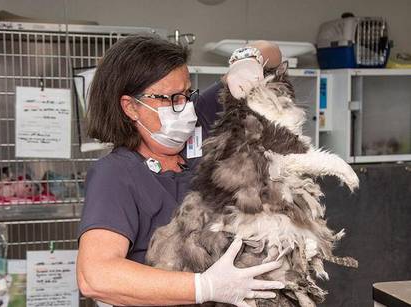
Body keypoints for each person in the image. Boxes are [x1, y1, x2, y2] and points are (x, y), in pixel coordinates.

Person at [77, 34, 284, 307]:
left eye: (187, 93)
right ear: (130, 107)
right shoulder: (115, 175)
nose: (185, 108)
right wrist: (205, 287)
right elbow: (95, 276)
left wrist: (246, 60)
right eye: (172, 98)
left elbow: (271, 53)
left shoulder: (198, 123)